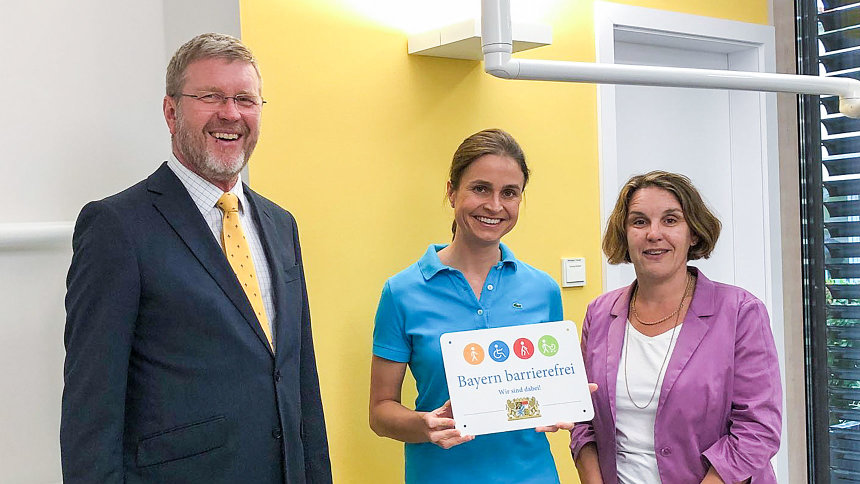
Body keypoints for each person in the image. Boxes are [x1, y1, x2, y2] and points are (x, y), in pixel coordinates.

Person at [61, 33, 331, 483]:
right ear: (171, 112)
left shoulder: (281, 224)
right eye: (211, 97)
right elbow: (92, 409)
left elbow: (300, 378)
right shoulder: (116, 227)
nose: (231, 113)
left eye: (245, 99)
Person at [368, 128, 565, 483]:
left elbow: (534, 398)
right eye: (480, 188)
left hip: (532, 475)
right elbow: (380, 412)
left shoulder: (543, 290)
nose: (494, 205)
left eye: (509, 193)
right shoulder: (402, 292)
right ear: (452, 191)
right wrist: (424, 424)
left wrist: (561, 402)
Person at [570, 171, 782, 483]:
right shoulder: (599, 314)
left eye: (670, 220)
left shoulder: (740, 313)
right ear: (624, 234)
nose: (653, 234)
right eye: (639, 221)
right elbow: (582, 418)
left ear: (693, 233)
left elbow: (757, 429)